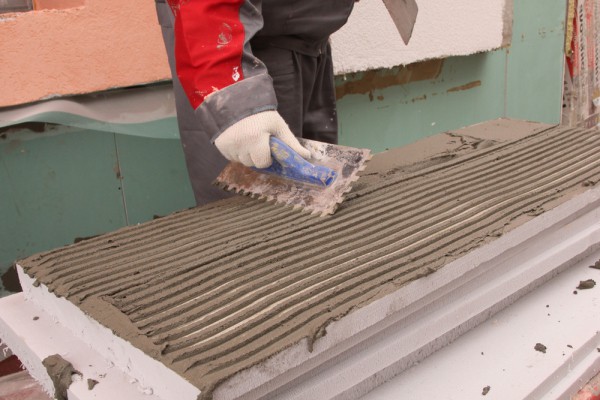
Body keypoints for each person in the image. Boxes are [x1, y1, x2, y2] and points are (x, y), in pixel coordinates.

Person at [154, 0, 356, 205]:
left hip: (309, 38)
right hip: (240, 49)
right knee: (255, 215)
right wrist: (234, 100)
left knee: (315, 203)